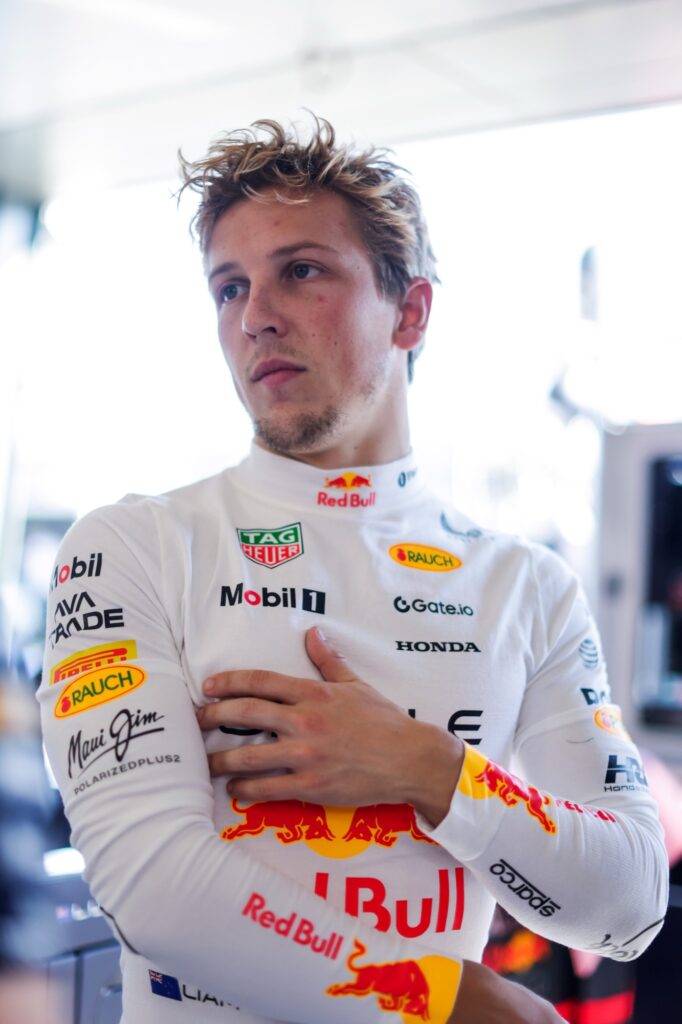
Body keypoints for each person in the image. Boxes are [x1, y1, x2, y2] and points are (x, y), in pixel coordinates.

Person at [38, 116, 667, 1024]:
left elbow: (630, 907)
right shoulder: (131, 547)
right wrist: (441, 999)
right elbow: (149, 884)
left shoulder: (527, 588)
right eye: (229, 286)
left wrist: (434, 771)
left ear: (410, 311)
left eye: (300, 270)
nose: (254, 316)